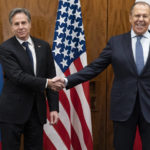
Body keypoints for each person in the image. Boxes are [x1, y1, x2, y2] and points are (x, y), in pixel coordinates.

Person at [53, 1, 150, 150]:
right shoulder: (116, 42)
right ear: (130, 18)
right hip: (123, 110)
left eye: (145, 16)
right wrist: (67, 80)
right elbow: (94, 68)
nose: (141, 19)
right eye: (137, 15)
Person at [0, 8, 63, 150]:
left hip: (36, 111)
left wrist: (53, 108)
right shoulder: (5, 48)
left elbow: (51, 75)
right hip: (12, 112)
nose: (21, 27)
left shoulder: (44, 46)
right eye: (16, 24)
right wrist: (46, 83)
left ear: (30, 24)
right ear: (11, 26)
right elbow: (18, 76)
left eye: (24, 22)